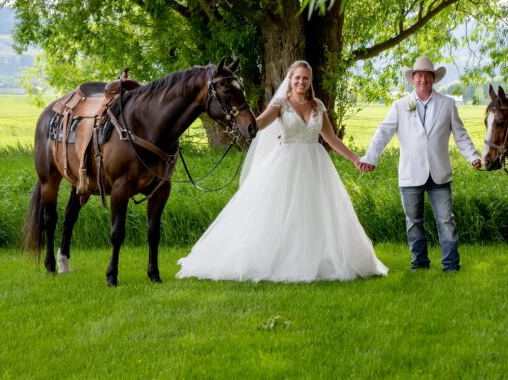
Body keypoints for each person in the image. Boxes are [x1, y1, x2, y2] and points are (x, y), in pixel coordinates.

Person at [177, 60, 387, 282]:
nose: (301, 82)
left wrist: (355, 159)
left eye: (306, 78)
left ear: (310, 80)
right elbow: (259, 124)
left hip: (316, 165)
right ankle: (282, 258)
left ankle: (313, 257)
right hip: (286, 164)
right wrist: (240, 123)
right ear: (290, 79)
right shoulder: (281, 104)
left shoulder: (318, 105)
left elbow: (331, 138)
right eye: (297, 77)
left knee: (316, 211)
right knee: (282, 211)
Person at [360, 56, 481, 272]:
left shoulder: (448, 104)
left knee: (446, 221)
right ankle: (420, 264)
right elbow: (383, 133)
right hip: (410, 174)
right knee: (414, 222)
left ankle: (451, 266)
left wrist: (473, 156)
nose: (423, 79)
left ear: (433, 79)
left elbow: (461, 135)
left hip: (439, 174)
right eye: (419, 75)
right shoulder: (399, 106)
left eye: (427, 75)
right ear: (412, 79)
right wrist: (370, 158)